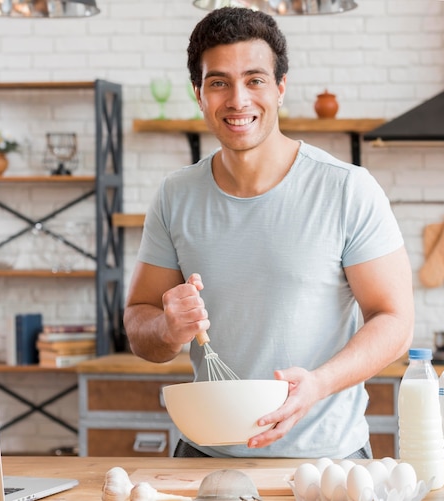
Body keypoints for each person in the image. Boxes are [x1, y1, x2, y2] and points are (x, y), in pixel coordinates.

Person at [123, 7, 414, 459]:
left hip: (326, 463)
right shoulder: (174, 196)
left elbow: (395, 321)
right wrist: (167, 326)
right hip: (204, 458)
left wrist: (318, 385)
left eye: (255, 79)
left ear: (280, 89)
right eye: (218, 82)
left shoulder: (346, 189)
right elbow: (140, 327)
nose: (238, 99)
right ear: (198, 94)